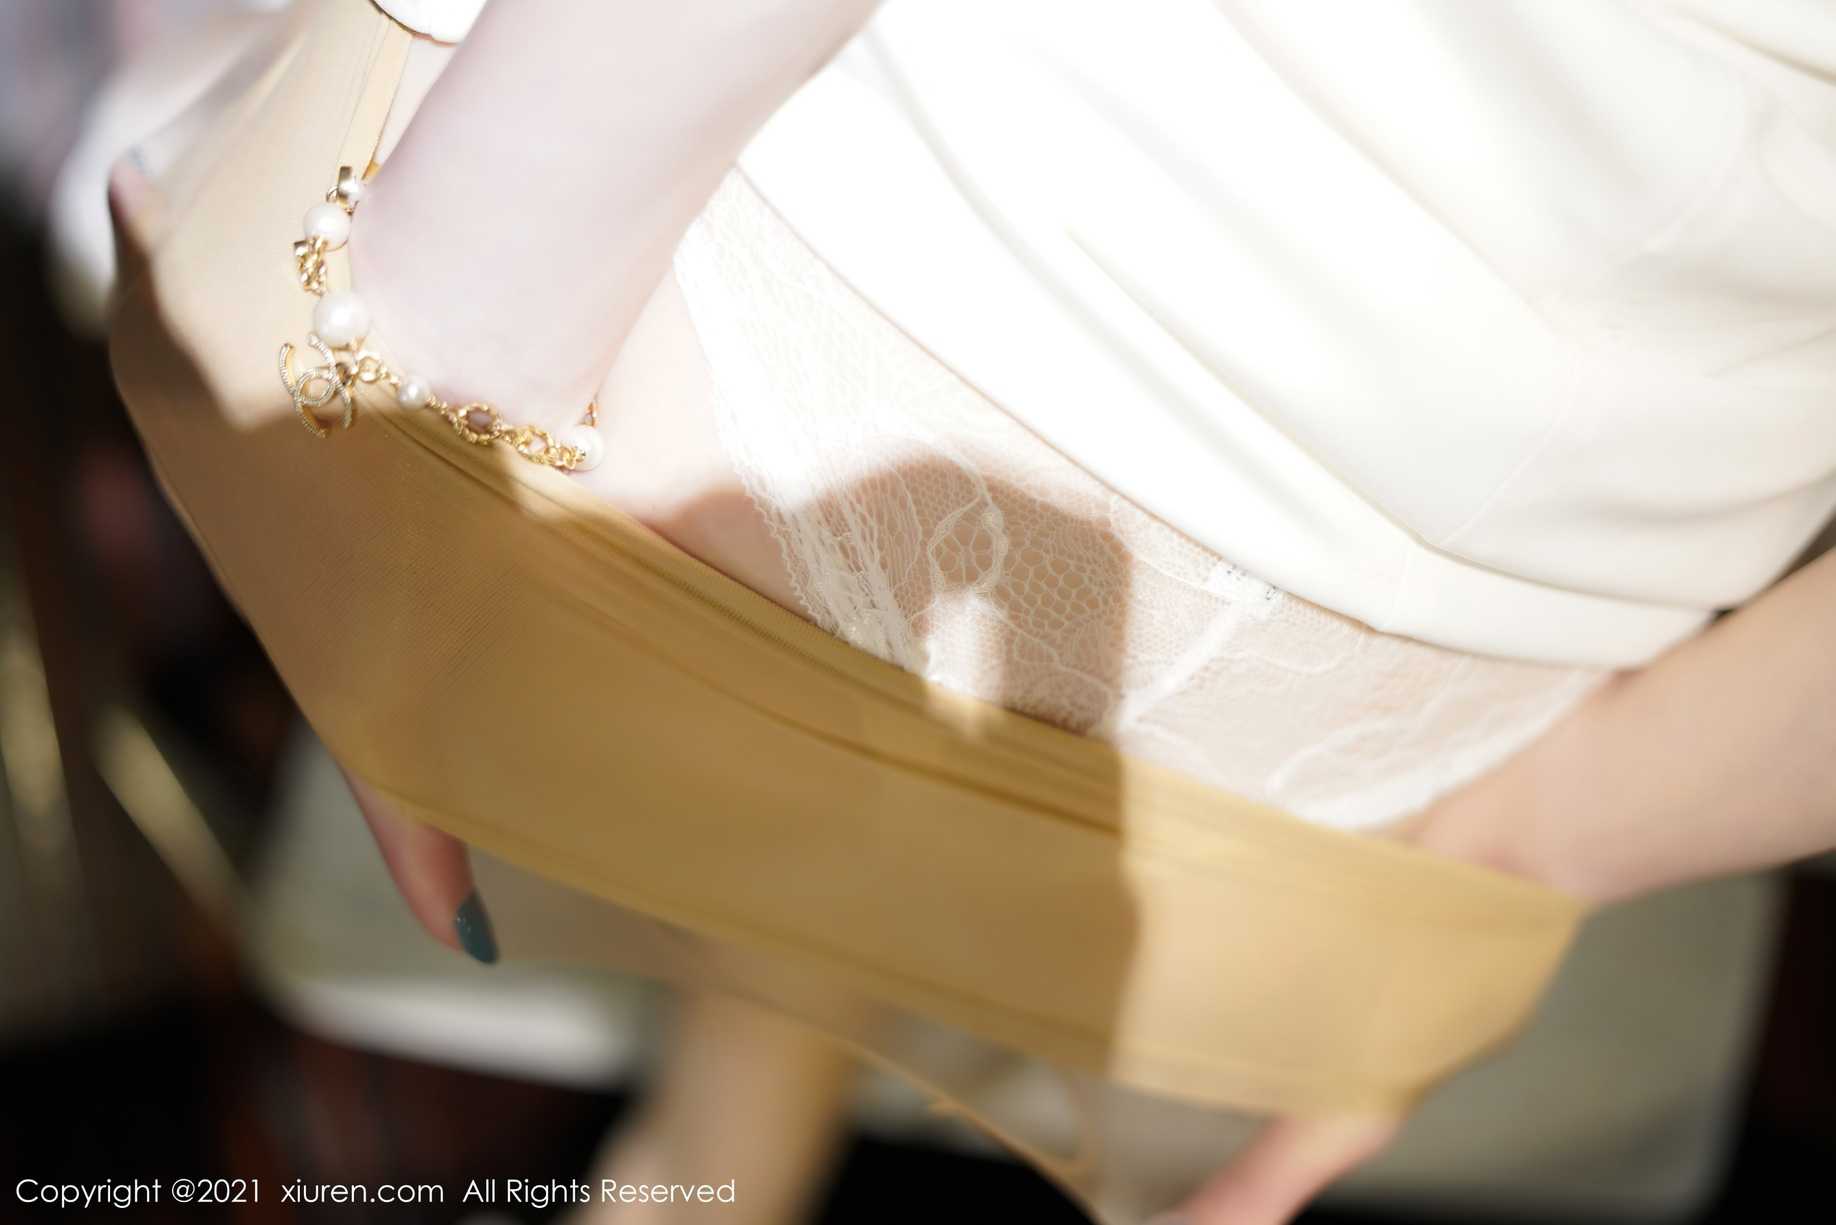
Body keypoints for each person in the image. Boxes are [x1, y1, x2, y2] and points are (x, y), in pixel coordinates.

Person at [108, 2, 1836, 1222]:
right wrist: (1531, 838)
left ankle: (723, 1134)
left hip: (824, 274)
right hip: (1394, 706)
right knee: (871, 763)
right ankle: (738, 1114)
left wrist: (410, 364)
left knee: (808, 712)